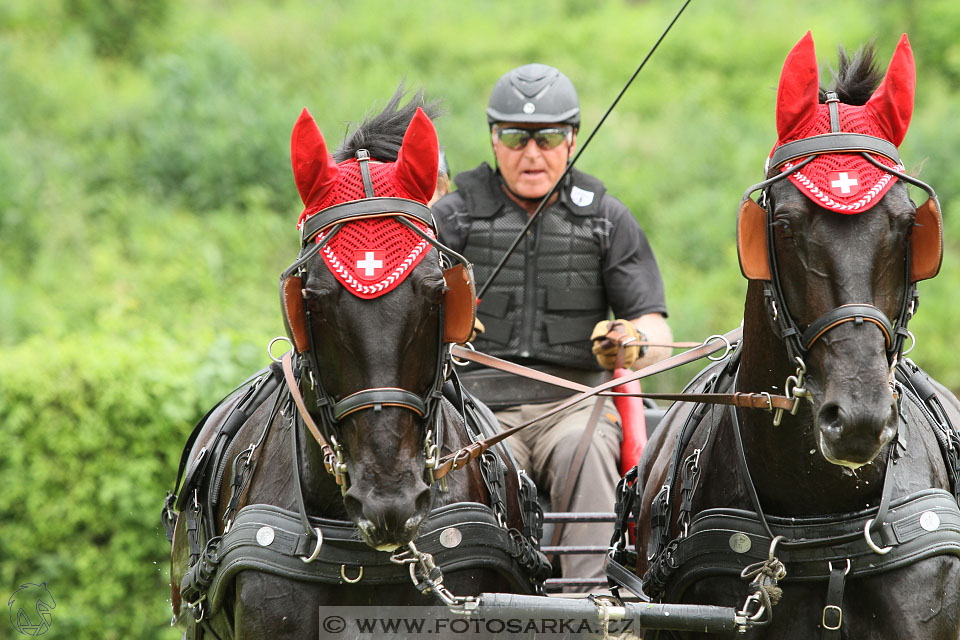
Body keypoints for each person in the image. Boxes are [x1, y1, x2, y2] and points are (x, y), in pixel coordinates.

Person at [431, 63, 672, 589]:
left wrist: (630, 343)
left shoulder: (606, 218)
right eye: (516, 137)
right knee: (487, 464)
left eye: (548, 137)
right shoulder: (451, 217)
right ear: (494, 140)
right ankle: (479, 599)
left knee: (583, 452)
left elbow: (656, 329)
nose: (531, 153)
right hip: (477, 406)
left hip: (573, 403)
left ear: (573, 138)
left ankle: (586, 601)